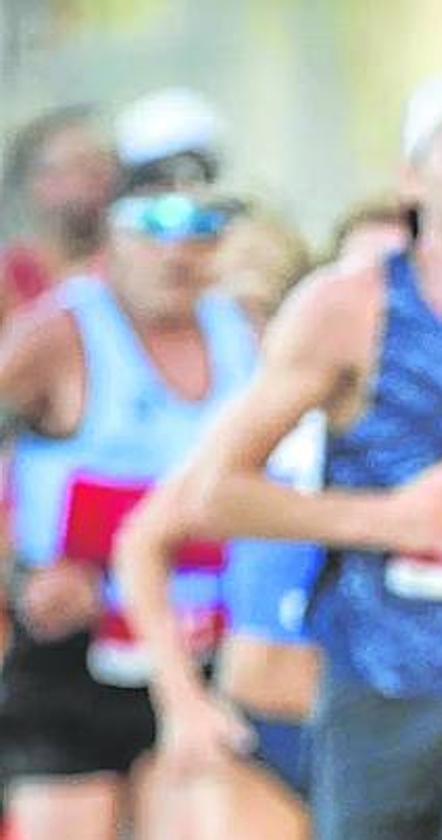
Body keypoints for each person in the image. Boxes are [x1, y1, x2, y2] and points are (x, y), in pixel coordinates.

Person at [118, 57, 442, 840]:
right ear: (413, 177)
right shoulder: (350, 307)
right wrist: (386, 519)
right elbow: (211, 495)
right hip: (378, 696)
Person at [0, 176, 256, 840]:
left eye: (200, 234)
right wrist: (19, 580)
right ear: (112, 238)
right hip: (75, 657)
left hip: (204, 648)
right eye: (154, 233)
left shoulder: (246, 333)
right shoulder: (57, 334)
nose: (177, 255)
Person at [117, 215, 318, 840]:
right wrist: (180, 702)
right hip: (256, 727)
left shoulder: (377, 412)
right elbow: (142, 540)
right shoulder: (246, 422)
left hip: (370, 728)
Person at [0, 105, 117, 326]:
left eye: (104, 161)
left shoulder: (136, 269)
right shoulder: (10, 277)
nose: (100, 176)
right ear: (39, 182)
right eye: (81, 165)